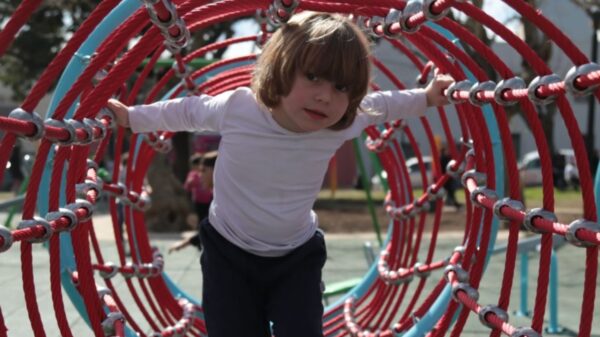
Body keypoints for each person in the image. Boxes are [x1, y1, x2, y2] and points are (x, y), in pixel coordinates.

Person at [107, 11, 453, 337]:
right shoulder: (240, 108)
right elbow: (185, 111)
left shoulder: (341, 123)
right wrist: (133, 118)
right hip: (229, 251)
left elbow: (388, 104)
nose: (324, 96)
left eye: (342, 87)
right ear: (282, 68)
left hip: (296, 257)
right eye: (313, 77)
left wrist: (426, 97)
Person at [170, 151, 218, 253]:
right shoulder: (218, 199)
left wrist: (185, 242)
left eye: (203, 170)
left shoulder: (224, 201)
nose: (200, 175)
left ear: (216, 171)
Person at [184, 152, 214, 224]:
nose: (201, 175)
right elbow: (186, 187)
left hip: (208, 200)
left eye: (203, 170)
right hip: (198, 201)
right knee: (201, 218)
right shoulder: (192, 174)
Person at [439, 145, 462, 210]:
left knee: (449, 192)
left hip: (444, 177)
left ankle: (453, 203)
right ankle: (455, 204)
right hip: (446, 177)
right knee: (450, 191)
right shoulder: (444, 158)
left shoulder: (441, 158)